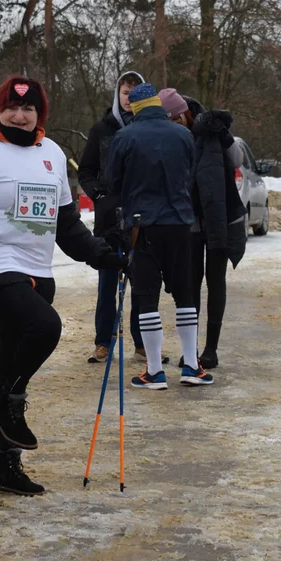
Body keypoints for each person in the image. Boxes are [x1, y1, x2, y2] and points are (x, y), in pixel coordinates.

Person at [0, 75, 125, 496]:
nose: (20, 116)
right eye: (11, 108)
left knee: (11, 362)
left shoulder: (52, 153)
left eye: (29, 109)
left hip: (39, 270)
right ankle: (9, 405)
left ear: (40, 113)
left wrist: (101, 253)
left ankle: (7, 467)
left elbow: (65, 224)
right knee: (46, 327)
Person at [107, 83, 213, 390]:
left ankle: (154, 371)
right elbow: (189, 171)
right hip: (180, 223)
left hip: (143, 226)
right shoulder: (183, 134)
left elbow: (112, 180)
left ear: (135, 109)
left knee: (147, 297)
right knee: (185, 295)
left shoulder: (124, 136)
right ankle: (192, 365)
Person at [160, 89, 246, 370]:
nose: (173, 125)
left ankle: (211, 349)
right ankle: (191, 348)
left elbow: (237, 159)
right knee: (191, 282)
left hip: (220, 215)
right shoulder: (171, 137)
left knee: (215, 281)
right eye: (167, 121)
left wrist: (224, 135)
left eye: (175, 118)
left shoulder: (210, 128)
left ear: (184, 112)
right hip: (190, 218)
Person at [77, 70, 154, 364]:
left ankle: (142, 342)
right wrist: (99, 195)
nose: (129, 98)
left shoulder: (150, 128)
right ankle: (103, 342)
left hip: (141, 217)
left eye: (135, 92)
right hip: (109, 218)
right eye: (125, 92)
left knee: (141, 281)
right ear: (118, 95)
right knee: (107, 282)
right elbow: (86, 171)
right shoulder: (101, 129)